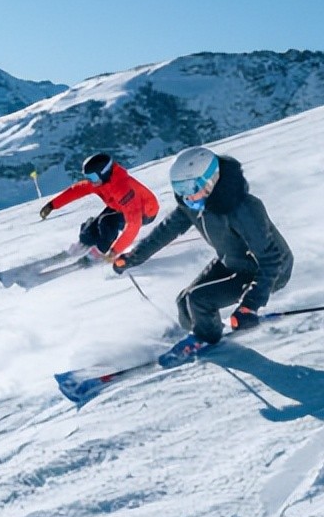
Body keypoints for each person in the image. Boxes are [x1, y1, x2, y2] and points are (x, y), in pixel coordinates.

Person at [112, 146, 293, 363]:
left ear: (211, 180)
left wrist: (250, 304)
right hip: (232, 260)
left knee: (199, 300)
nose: (186, 194)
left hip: (266, 269)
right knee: (183, 302)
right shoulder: (193, 204)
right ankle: (201, 331)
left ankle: (206, 338)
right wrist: (133, 257)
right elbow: (165, 231)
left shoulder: (244, 208)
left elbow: (272, 259)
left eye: (191, 186)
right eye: (180, 188)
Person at [38, 153, 160, 259]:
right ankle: (86, 243)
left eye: (93, 177)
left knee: (107, 223)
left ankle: (100, 252)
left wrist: (115, 251)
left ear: (104, 172)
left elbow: (134, 223)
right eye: (88, 177)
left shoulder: (123, 189)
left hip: (145, 211)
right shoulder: (99, 182)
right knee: (91, 228)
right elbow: (76, 190)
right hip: (119, 206)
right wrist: (52, 205)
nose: (91, 181)